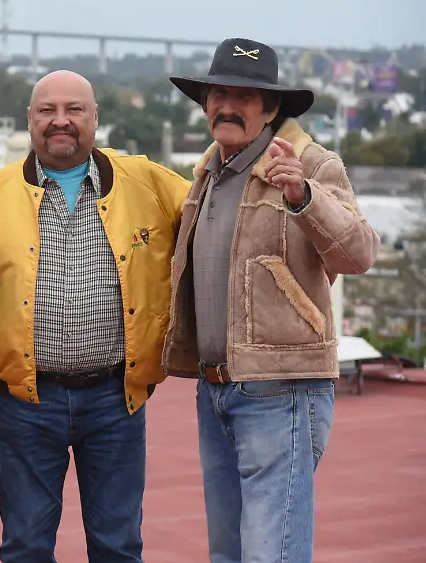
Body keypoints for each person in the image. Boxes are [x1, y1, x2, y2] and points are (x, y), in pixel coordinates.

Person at [0, 70, 191, 562]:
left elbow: (214, 209)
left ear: (95, 118)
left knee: (118, 546)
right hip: (26, 401)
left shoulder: (147, 182)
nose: (60, 121)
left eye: (74, 109)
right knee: (25, 547)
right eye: (48, 110)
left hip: (117, 399)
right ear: (30, 119)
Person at [162, 38, 380, 563]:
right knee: (229, 554)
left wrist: (305, 197)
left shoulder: (312, 165)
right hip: (216, 388)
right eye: (218, 94)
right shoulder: (208, 173)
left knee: (271, 555)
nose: (227, 106)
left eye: (244, 96)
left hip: (282, 389)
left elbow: (360, 253)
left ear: (271, 108)